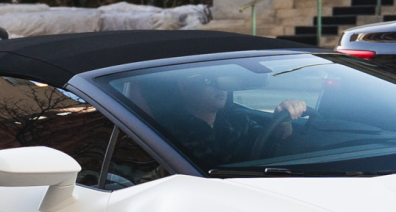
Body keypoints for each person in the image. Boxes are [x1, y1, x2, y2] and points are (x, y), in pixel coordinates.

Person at [132, 67, 309, 168]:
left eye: (223, 80)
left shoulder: (238, 121)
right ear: (185, 87)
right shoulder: (166, 132)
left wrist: (284, 120)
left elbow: (276, 147)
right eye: (210, 81)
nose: (221, 88)